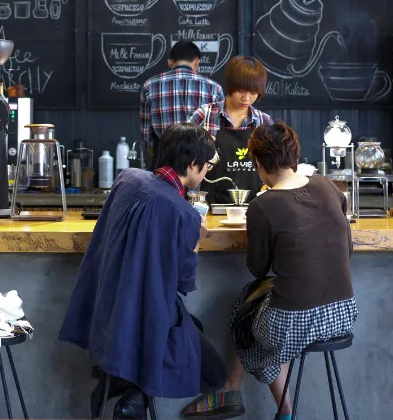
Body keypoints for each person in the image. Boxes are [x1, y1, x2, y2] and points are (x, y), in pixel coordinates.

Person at [182, 122, 356, 420]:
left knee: (247, 319)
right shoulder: (328, 186)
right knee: (256, 306)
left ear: (259, 164)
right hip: (345, 313)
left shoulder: (264, 205)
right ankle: (245, 396)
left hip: (295, 325)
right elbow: (347, 249)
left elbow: (258, 269)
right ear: (295, 156)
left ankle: (263, 404)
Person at [60, 123, 228, 419]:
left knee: (191, 327)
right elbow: (184, 283)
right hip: (148, 317)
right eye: (206, 166)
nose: (206, 174)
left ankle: (120, 386)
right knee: (216, 375)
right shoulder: (184, 215)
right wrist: (195, 243)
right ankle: (133, 396)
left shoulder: (127, 179)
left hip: (106, 310)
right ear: (191, 164)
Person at [189, 56, 273, 206]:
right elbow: (180, 153)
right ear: (230, 86)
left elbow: (273, 166)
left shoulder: (264, 122)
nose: (246, 98)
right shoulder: (204, 115)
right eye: (241, 91)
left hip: (254, 206)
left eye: (253, 93)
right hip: (209, 205)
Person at [139, 41, 224, 162]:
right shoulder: (214, 88)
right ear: (197, 62)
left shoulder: (149, 86)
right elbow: (218, 131)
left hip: (164, 156)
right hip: (200, 158)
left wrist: (160, 155)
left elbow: (147, 136)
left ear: (170, 62)